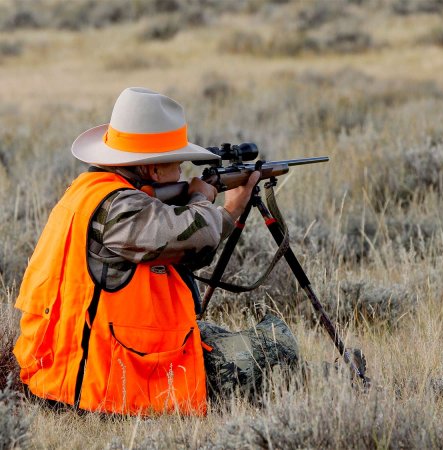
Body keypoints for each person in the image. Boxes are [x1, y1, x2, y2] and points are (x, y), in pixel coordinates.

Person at [12, 87, 298, 415]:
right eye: (177, 164)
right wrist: (210, 202)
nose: (182, 173)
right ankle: (328, 379)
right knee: (278, 345)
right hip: (107, 384)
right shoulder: (121, 209)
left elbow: (184, 250)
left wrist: (219, 209)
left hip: (66, 370)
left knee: (207, 333)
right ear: (154, 170)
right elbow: (198, 234)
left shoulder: (86, 193)